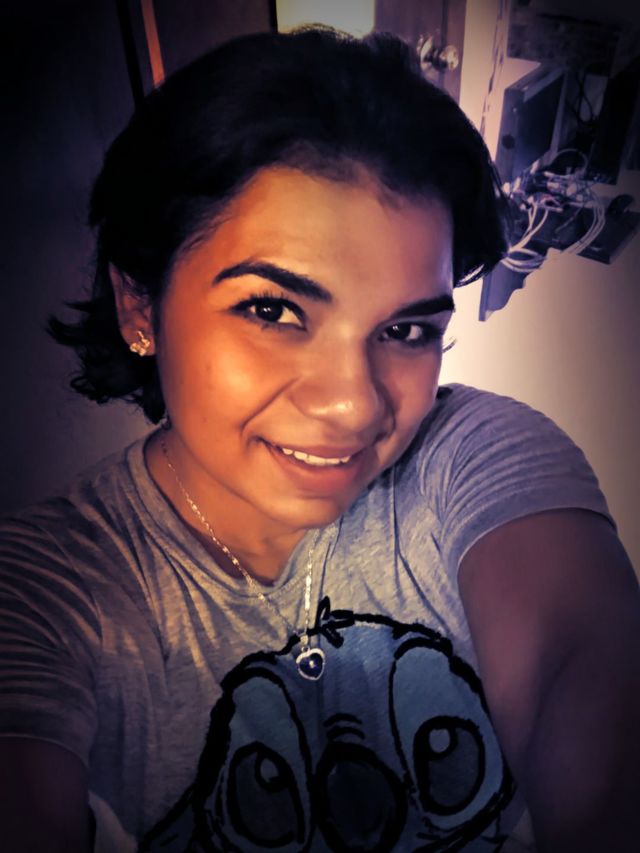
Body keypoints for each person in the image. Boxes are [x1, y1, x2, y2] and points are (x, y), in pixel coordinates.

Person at [0, 25, 639, 853]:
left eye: (406, 329)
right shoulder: (50, 585)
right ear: (138, 304)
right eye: (273, 310)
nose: (353, 404)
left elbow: (578, 670)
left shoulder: (476, 451)